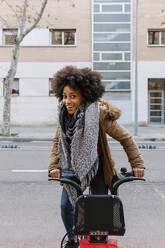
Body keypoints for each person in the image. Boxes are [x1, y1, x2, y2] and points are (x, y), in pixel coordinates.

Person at [48, 66, 145, 248]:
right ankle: (73, 239)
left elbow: (126, 138)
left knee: (100, 213)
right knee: (66, 206)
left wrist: (137, 164)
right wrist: (54, 167)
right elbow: (57, 144)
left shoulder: (98, 115)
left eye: (73, 96)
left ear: (84, 95)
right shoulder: (64, 116)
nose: (67, 101)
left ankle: (99, 242)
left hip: (98, 166)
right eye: (65, 95)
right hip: (73, 167)